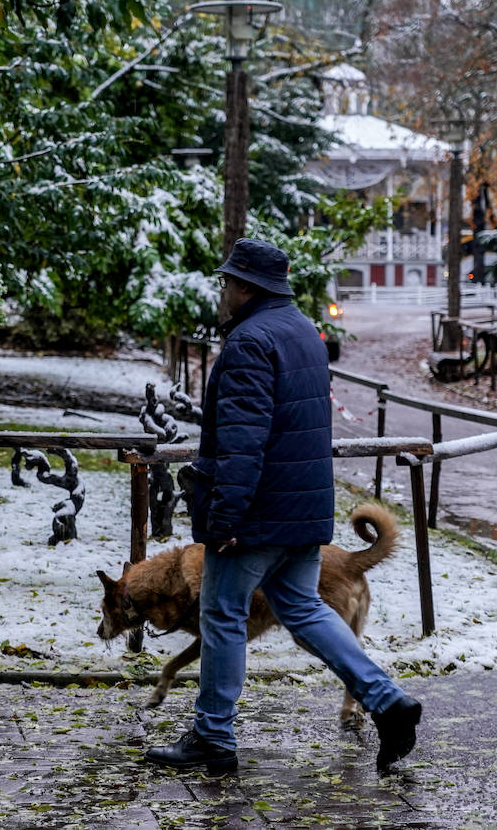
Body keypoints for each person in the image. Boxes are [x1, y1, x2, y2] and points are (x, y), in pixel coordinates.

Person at [145, 237, 422, 773]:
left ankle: (213, 737)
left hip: (257, 513)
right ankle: (387, 700)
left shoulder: (250, 342)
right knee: (304, 608)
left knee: (221, 615)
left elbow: (244, 441)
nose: (223, 289)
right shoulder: (303, 332)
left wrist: (225, 516)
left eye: (228, 281)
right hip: (302, 508)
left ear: (247, 286)